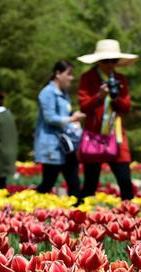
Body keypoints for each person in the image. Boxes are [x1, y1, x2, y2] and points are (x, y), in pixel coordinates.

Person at [77, 39, 137, 201]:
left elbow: (126, 107)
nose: (110, 64)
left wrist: (115, 98)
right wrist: (99, 97)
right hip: (94, 137)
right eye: (106, 60)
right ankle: (80, 219)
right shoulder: (87, 78)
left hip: (116, 137)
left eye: (114, 60)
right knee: (90, 183)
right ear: (98, 61)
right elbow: (83, 106)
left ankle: (130, 219)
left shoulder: (120, 79)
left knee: (125, 182)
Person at [34, 60, 86, 200]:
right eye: (68, 74)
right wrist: (71, 119)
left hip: (66, 145)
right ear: (58, 74)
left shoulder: (64, 94)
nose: (71, 78)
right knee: (48, 183)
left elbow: (65, 116)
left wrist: (74, 123)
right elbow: (50, 118)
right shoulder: (47, 93)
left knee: (74, 180)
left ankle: (78, 213)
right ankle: (28, 208)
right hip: (52, 145)